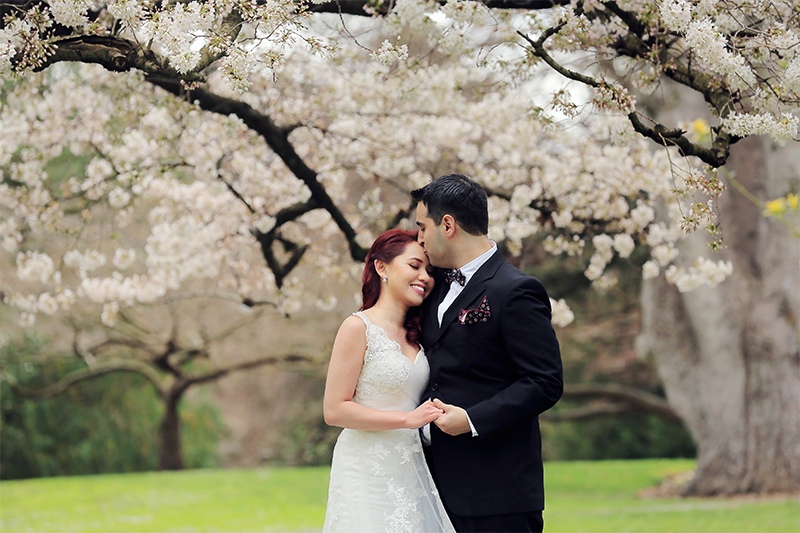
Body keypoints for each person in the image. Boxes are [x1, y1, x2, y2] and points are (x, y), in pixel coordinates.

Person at [412, 174, 564, 533]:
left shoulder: (517, 290)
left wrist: (471, 419)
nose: (418, 239)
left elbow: (545, 381)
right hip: (430, 488)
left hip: (497, 493)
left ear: (447, 225)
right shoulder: (432, 288)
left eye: (422, 227)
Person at [322, 228, 456, 533]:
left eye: (429, 270)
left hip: (411, 466)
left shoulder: (422, 336)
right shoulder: (357, 327)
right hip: (366, 468)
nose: (425, 277)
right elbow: (334, 410)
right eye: (414, 266)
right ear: (381, 267)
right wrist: (408, 419)